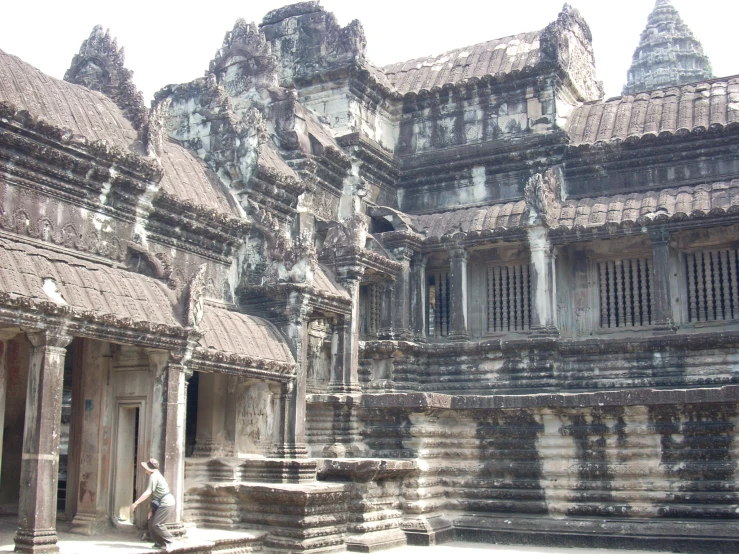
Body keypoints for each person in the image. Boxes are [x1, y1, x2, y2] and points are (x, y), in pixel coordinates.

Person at [131, 458, 176, 550]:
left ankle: (171, 541)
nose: (145, 470)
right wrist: (152, 510)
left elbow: (148, 492)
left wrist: (136, 503)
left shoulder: (154, 476)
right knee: (151, 521)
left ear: (149, 469)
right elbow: (156, 496)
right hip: (160, 503)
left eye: (146, 468)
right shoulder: (156, 475)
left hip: (166, 503)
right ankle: (159, 543)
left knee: (157, 524)